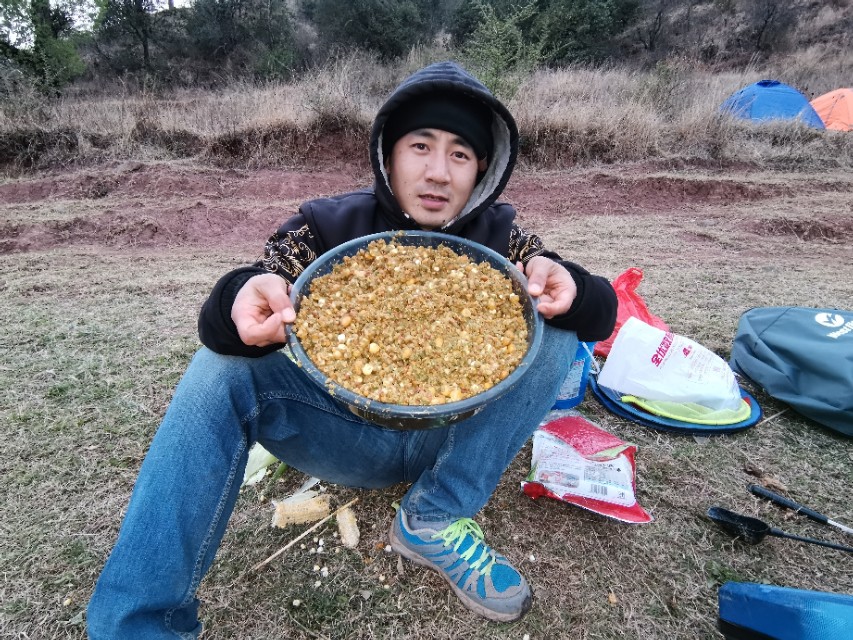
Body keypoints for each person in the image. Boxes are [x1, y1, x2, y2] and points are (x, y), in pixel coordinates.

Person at [87, 61, 617, 637]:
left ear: (482, 170)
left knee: (555, 324)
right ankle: (139, 623)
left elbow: (598, 313)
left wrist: (567, 281)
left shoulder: (503, 242)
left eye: (460, 154)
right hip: (348, 436)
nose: (438, 172)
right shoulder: (325, 228)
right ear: (388, 154)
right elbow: (250, 298)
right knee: (219, 367)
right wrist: (238, 298)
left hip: (456, 440)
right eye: (421, 145)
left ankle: (433, 519)